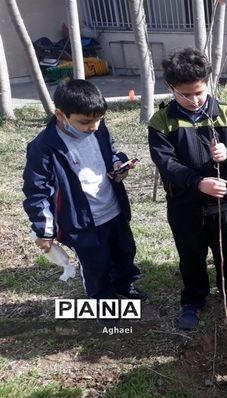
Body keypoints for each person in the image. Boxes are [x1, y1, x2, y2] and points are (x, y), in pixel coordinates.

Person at [148, 48, 227, 330]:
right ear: (171, 88)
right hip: (185, 205)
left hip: (224, 202)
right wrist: (198, 182)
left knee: (226, 251)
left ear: (207, 83)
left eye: (199, 92)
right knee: (191, 254)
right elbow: (166, 164)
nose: (194, 100)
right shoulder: (162, 122)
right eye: (185, 94)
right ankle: (193, 299)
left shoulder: (226, 115)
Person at [22, 79, 145, 302]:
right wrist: (44, 230)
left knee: (124, 253)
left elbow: (112, 151)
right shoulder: (43, 148)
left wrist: (118, 165)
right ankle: (102, 302)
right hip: (81, 222)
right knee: (95, 266)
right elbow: (37, 191)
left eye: (99, 120)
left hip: (113, 210)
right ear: (60, 115)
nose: (94, 127)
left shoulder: (98, 129)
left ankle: (125, 286)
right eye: (86, 122)